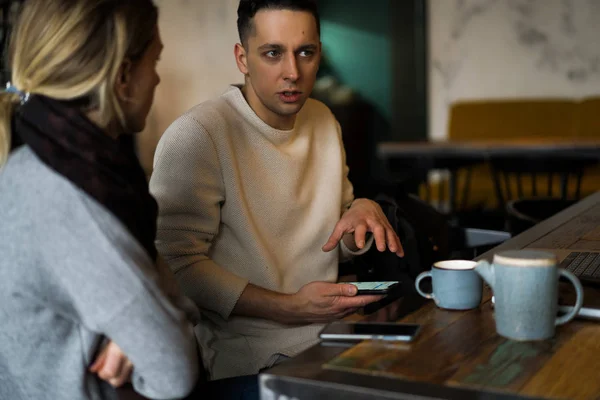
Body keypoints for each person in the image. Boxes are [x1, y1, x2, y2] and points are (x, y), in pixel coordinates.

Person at [149, 0, 404, 380]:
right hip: (249, 361)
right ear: (242, 58)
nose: (293, 72)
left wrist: (359, 216)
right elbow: (176, 266)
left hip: (334, 338)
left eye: (306, 52)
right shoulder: (198, 135)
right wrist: (289, 308)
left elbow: (336, 240)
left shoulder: (323, 120)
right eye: (273, 53)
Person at [0, 1, 201, 399]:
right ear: (124, 75)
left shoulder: (51, 166)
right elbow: (174, 370)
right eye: (154, 61)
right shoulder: (66, 197)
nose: (158, 79)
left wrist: (143, 330)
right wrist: (157, 322)